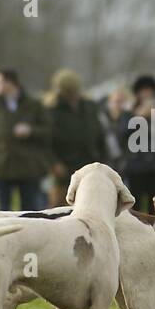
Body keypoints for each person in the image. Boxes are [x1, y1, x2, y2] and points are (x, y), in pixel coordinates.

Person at [0, 69, 50, 211]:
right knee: (3, 210)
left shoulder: (34, 104)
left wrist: (30, 131)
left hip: (29, 166)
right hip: (2, 166)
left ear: (10, 83)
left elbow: (48, 130)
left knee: (29, 210)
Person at [45, 68, 106, 206]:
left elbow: (100, 135)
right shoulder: (51, 112)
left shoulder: (90, 107)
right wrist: (54, 163)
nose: (74, 95)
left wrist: (103, 160)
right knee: (60, 212)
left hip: (89, 165)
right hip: (64, 170)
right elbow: (46, 143)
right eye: (69, 91)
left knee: (90, 208)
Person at [119, 74, 155, 213]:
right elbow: (123, 134)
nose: (147, 93)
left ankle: (153, 233)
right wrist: (138, 117)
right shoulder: (128, 112)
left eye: (149, 90)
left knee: (154, 206)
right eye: (143, 90)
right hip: (136, 166)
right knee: (135, 205)